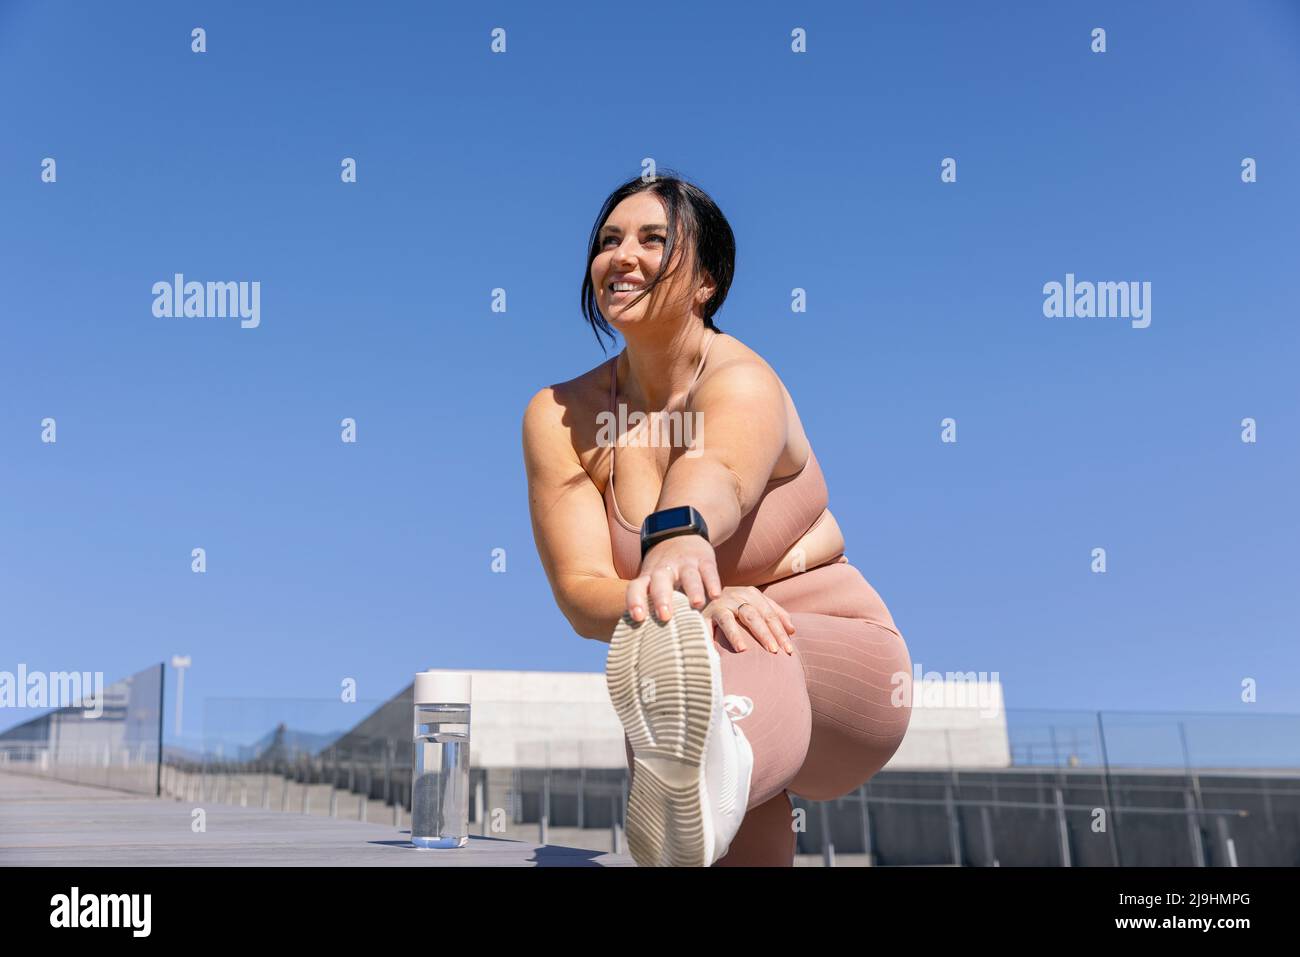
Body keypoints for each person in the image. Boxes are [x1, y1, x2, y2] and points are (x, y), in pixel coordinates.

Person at [522, 171, 912, 866]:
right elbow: (583, 592)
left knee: (729, 644)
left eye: (651, 239)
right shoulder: (560, 415)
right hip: (705, 679)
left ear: (706, 281)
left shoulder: (743, 378)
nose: (622, 255)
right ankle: (699, 778)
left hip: (840, 671)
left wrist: (676, 543)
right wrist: (689, 603)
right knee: (695, 654)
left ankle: (704, 770)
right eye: (608, 240)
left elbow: (720, 470)